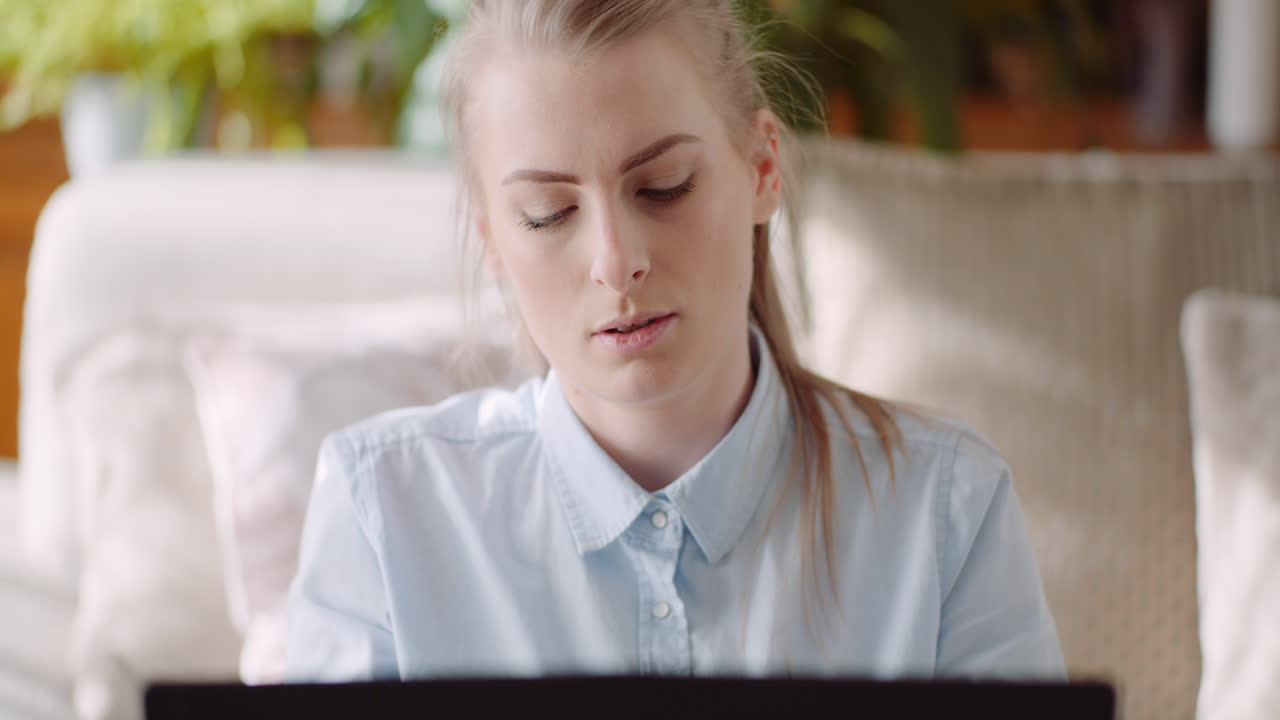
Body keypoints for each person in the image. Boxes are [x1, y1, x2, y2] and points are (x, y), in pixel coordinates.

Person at [285, 0, 1064, 682]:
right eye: (549, 214)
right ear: (493, 238)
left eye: (664, 187)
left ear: (762, 167)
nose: (617, 263)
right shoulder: (381, 509)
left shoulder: (946, 509)